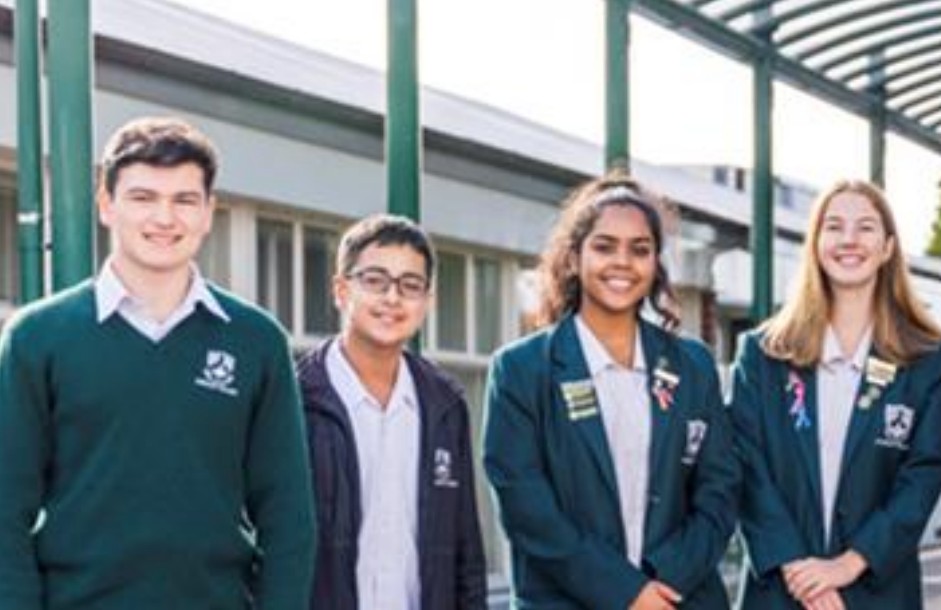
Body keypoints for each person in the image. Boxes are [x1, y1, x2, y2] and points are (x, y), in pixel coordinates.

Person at [0, 116, 316, 610]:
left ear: (208, 212)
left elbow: (289, 516)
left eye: (184, 200)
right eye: (143, 197)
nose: (164, 218)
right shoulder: (37, 337)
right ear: (106, 205)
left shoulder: (257, 341)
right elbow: (5, 511)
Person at [483, 170, 739, 610]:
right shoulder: (521, 370)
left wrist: (663, 583)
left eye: (640, 249)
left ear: (655, 264)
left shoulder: (693, 365)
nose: (622, 262)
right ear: (573, 258)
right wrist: (627, 593)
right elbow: (528, 509)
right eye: (604, 247)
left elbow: (720, 490)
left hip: (678, 599)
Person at [730, 179, 941, 610]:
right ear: (815, 243)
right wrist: (800, 572)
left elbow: (922, 478)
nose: (849, 239)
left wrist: (849, 564)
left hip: (877, 593)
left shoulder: (926, 362)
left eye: (865, 227)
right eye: (834, 226)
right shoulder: (762, 355)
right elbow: (745, 468)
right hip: (780, 592)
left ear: (887, 248)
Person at [297, 214, 486, 610]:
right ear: (341, 290)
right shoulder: (295, 398)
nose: (392, 298)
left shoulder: (446, 404)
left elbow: (465, 548)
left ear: (428, 301)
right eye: (375, 280)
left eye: (410, 285)